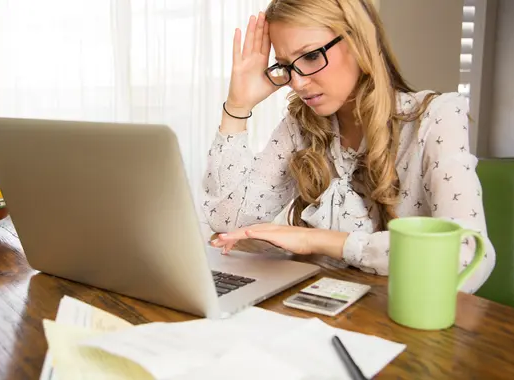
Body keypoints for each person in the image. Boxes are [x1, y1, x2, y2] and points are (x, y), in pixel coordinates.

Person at [202, 0, 495, 293]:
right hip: (330, 310)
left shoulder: (437, 117)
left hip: (410, 319)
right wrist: (237, 107)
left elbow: (467, 256)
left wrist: (316, 240)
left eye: (312, 56)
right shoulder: (302, 124)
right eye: (286, 66)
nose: (299, 83)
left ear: (359, 41)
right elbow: (231, 222)